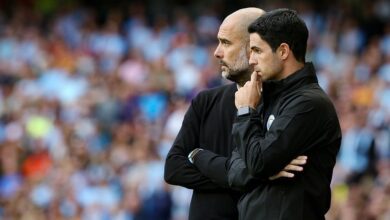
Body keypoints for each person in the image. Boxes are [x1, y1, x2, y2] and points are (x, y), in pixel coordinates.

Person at [164, 8, 307, 220]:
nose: (217, 52)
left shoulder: (286, 105)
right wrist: (253, 176)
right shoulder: (205, 101)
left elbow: (289, 177)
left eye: (226, 43)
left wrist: (203, 160)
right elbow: (174, 168)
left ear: (253, 48)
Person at [228, 8, 342, 219]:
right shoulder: (263, 96)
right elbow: (234, 171)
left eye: (257, 50)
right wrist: (265, 173)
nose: (251, 60)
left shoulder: (309, 104)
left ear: (283, 51)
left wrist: (245, 112)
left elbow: (257, 162)